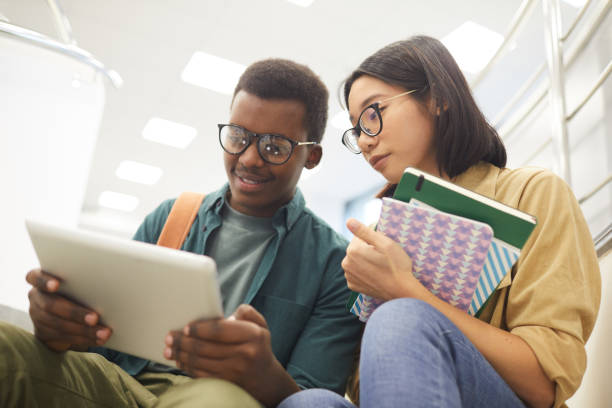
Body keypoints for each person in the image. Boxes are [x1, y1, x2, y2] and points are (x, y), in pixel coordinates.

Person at [0, 59, 361, 408]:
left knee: (218, 401)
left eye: (273, 147)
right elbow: (100, 344)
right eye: (237, 137)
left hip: (221, 398)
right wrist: (61, 326)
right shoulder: (172, 217)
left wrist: (263, 373)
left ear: (311, 157)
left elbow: (313, 401)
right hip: (118, 382)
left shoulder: (336, 265)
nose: (249, 158)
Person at [278, 36, 601, 408]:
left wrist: (405, 291)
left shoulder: (533, 194)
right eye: (357, 129)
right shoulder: (381, 239)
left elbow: (544, 385)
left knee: (401, 318)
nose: (365, 142)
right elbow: (369, 389)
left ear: (437, 99)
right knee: (308, 403)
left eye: (373, 114)